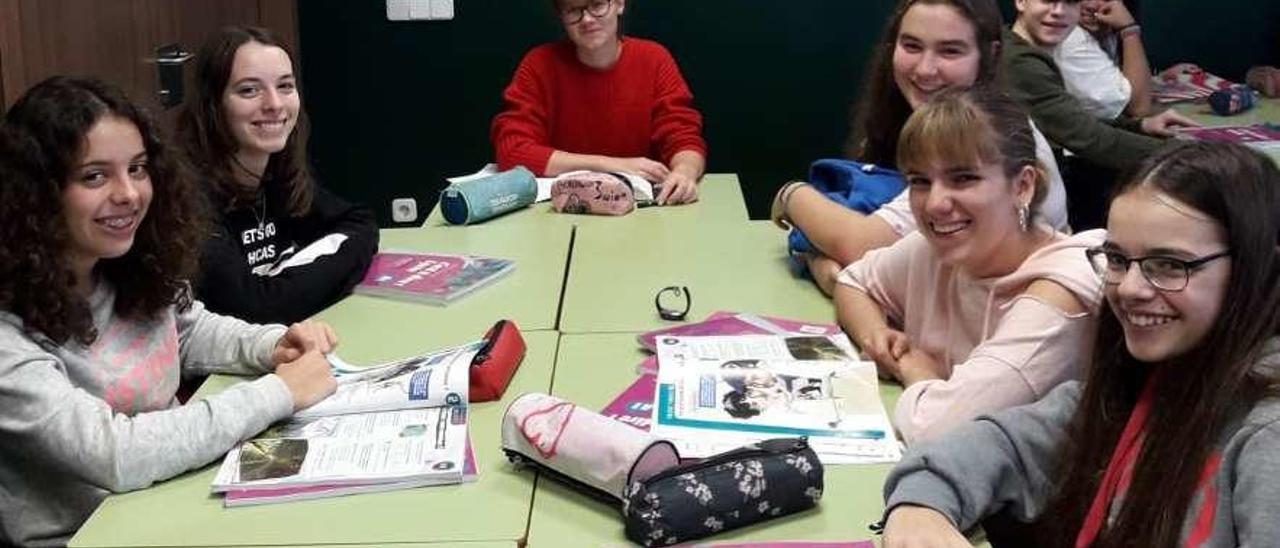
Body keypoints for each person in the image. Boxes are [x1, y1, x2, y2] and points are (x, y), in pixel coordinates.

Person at [880, 140, 1280, 547]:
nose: (1130, 288)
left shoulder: (1267, 434)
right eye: (1119, 260)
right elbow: (998, 445)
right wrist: (917, 508)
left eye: (1169, 265)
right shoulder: (1141, 385)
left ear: (1256, 266)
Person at [0, 77, 338, 547]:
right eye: (94, 176)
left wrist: (269, 345)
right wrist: (277, 393)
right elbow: (112, 454)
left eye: (137, 169)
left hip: (175, 499)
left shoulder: (123, 268)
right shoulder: (7, 337)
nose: (129, 194)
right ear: (34, 194)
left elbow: (186, 328)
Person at [834, 88, 1104, 443]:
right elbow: (854, 282)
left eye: (963, 178)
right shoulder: (937, 248)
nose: (935, 204)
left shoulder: (1062, 292)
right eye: (920, 181)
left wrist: (916, 369)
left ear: (1022, 185)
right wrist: (878, 336)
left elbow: (934, 428)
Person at [771, 0, 1069, 295]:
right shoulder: (915, 121)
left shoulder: (995, 137)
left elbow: (858, 246)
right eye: (912, 46)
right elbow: (859, 264)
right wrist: (816, 256)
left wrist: (790, 197)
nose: (925, 69)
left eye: (950, 51)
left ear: (989, 55)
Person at [177, 26, 379, 325]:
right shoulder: (187, 198)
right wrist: (302, 283)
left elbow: (361, 223)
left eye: (285, 86)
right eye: (249, 90)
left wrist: (283, 284)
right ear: (213, 104)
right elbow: (257, 310)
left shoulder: (277, 171)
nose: (274, 104)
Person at [490, 0, 707, 205]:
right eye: (573, 10)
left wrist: (684, 172)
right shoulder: (538, 65)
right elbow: (513, 152)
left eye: (598, 5)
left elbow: (683, 137)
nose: (587, 19)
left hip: (641, 211)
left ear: (619, 4)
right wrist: (612, 166)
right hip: (559, 211)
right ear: (561, 16)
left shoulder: (654, 59)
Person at [1003, 0, 1197, 229]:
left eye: (1070, 3)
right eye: (1048, 0)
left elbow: (1073, 120)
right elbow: (1090, 139)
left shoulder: (1022, 48)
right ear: (1021, 2)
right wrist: (1191, 155)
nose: (1058, 12)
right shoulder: (1019, 61)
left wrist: (1140, 126)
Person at [1052, 0, 1154, 120]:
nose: (1091, 5)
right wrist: (1129, 30)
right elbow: (1139, 109)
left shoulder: (1103, 28)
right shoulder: (1072, 38)